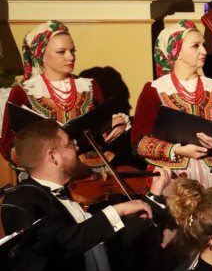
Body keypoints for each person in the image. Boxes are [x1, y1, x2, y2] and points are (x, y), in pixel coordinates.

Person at [3, 120, 173, 271]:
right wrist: (116, 210)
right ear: (53, 156)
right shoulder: (22, 200)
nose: (77, 148)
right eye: (70, 144)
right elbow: (63, 243)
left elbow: (105, 240)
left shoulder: (68, 194)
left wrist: (154, 198)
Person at [2, 21, 129, 168]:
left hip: (88, 168)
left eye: (73, 51)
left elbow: (99, 127)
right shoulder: (24, 91)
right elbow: (8, 143)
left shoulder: (89, 85)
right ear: (41, 55)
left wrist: (117, 123)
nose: (70, 57)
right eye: (61, 52)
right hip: (46, 169)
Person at [132, 21, 212, 186]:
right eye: (196, 46)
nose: (204, 51)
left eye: (204, 45)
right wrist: (178, 150)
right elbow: (139, 142)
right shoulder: (154, 90)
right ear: (177, 51)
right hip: (173, 177)